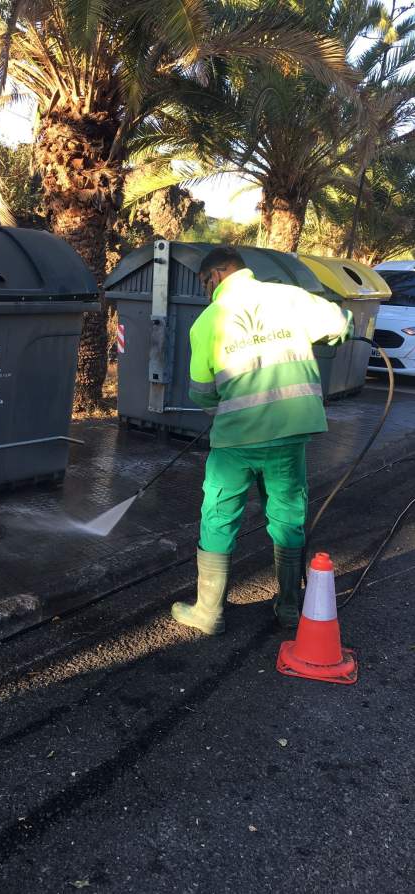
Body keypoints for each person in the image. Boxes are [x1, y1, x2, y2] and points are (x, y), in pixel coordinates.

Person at [171, 246, 353, 634]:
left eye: (204, 283)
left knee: (219, 517)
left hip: (235, 440)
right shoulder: (288, 297)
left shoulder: (207, 321)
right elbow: (340, 325)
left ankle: (208, 613)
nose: (205, 292)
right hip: (289, 433)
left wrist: (219, 408)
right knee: (287, 516)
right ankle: (289, 607)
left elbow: (202, 391)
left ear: (216, 275)